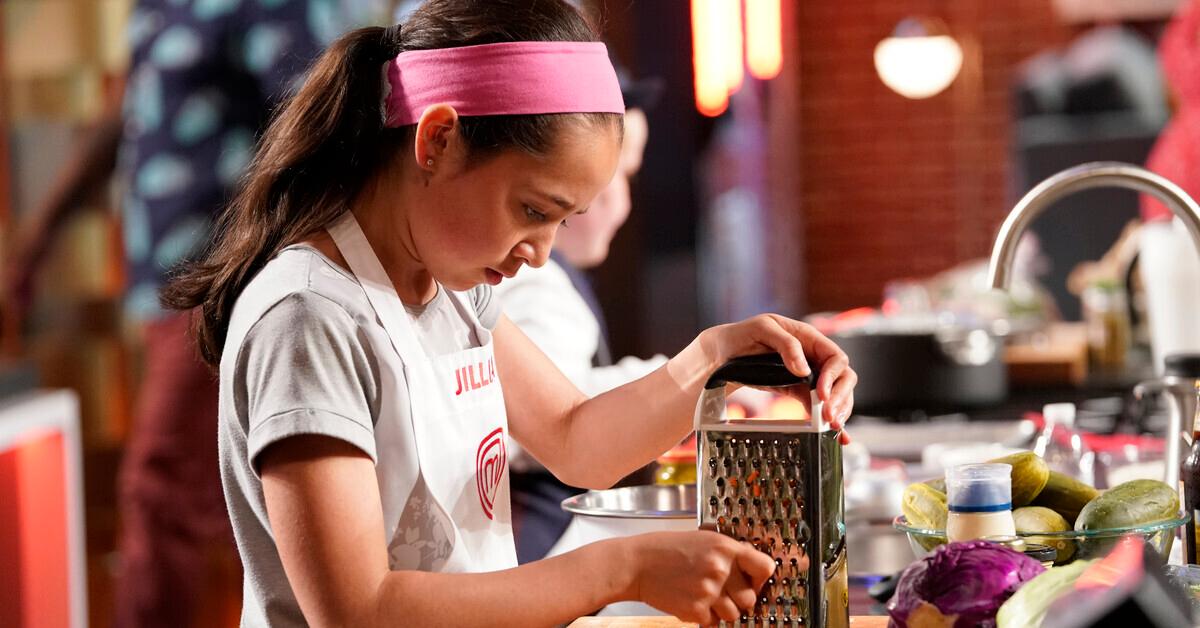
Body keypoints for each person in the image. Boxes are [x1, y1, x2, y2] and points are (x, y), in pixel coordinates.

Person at [161, 1, 857, 625]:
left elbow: (577, 439)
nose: (540, 254)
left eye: (563, 221)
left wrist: (714, 360)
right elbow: (358, 608)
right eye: (532, 211)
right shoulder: (310, 317)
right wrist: (623, 570)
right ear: (436, 140)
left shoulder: (453, 291)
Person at [5, 1, 382, 625]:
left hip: (229, 281)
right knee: (221, 497)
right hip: (165, 285)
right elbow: (129, 107)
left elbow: (320, 119)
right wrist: (38, 236)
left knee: (162, 490)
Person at [495, 65, 668, 563]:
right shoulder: (532, 283)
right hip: (530, 549)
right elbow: (546, 428)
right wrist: (691, 384)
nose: (620, 202)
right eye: (620, 177)